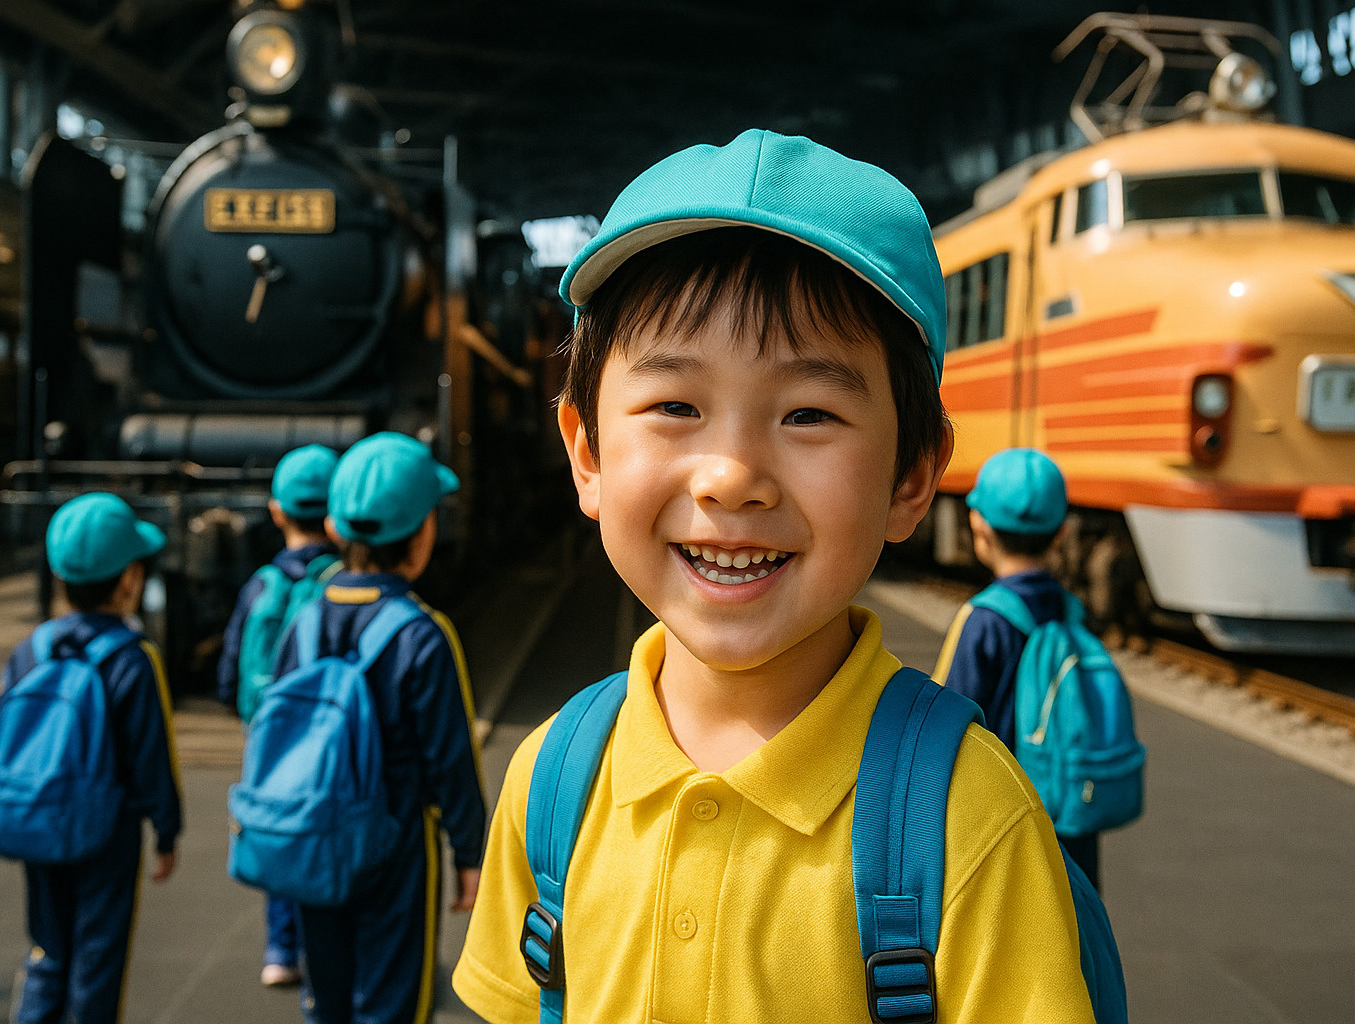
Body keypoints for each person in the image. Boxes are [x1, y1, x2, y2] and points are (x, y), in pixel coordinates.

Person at [453, 129, 1094, 1023]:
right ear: (586, 453)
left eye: (807, 414)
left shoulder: (971, 823)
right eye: (675, 405)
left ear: (912, 477)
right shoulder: (551, 781)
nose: (731, 476)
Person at [270, 431, 486, 1024]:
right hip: (395, 846)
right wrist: (469, 852)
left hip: (315, 837)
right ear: (422, 536)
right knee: (392, 1003)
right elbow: (450, 760)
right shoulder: (422, 633)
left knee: (327, 999)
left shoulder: (303, 620)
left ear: (335, 528)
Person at [0, 492, 183, 1024]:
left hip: (37, 820)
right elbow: (151, 758)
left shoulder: (32, 649)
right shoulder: (133, 659)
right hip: (106, 832)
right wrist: (167, 831)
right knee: (97, 956)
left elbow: (3, 735)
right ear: (129, 580)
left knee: (47, 947)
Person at [932, 447, 1104, 887]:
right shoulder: (1071, 611)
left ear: (979, 526)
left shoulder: (983, 620)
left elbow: (941, 730)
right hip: (1068, 824)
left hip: (1002, 829)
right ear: (1062, 533)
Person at [216, 442, 341, 987]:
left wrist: (243, 710)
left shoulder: (260, 585)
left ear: (276, 512)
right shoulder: (339, 583)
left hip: (267, 731)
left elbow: (230, 664)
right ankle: (324, 948)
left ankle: (280, 949)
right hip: (327, 734)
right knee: (322, 829)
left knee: (277, 827)